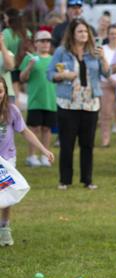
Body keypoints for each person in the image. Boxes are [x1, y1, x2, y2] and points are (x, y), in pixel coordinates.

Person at [47, 19, 110, 190]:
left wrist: (103, 58)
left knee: (87, 144)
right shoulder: (62, 51)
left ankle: (87, 180)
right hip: (68, 104)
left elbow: (107, 73)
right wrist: (63, 76)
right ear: (72, 34)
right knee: (67, 144)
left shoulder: (94, 52)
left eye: (85, 31)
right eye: (80, 31)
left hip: (90, 104)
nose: (84, 34)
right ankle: (65, 180)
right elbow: (50, 74)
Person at [0, 78, 55, 247]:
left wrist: (44, 150)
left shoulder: (12, 111)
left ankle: (4, 227)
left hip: (7, 160)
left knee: (6, 194)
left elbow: (25, 132)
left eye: (0, 91)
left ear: (5, 92)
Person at [19, 30, 56, 168]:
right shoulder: (30, 58)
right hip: (35, 100)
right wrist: (29, 66)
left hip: (51, 100)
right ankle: (31, 156)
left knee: (47, 129)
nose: (46, 43)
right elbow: (22, 78)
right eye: (43, 41)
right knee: (34, 129)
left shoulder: (54, 59)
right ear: (36, 43)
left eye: (48, 41)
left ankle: (45, 156)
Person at [97, 24, 116, 147]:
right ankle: (105, 139)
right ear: (108, 35)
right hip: (106, 83)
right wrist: (110, 79)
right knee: (106, 113)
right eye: (112, 34)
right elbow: (101, 67)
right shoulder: (103, 49)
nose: (114, 36)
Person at [2, 9, 31, 98]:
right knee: (26, 96)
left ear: (10, 19)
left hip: (12, 69)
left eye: (5, 18)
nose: (4, 20)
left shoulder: (5, 33)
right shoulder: (27, 32)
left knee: (15, 97)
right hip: (26, 67)